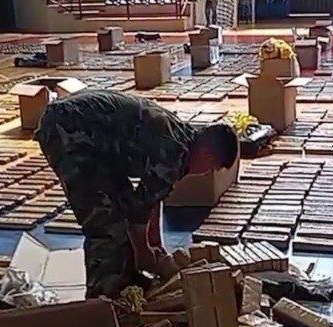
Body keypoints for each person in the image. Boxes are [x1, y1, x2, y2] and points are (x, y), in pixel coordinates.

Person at [35, 90, 239, 297]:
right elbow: (139, 213)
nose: (206, 173)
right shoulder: (172, 153)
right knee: (106, 223)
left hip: (93, 141)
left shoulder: (181, 138)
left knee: (122, 204)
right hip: (69, 130)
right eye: (211, 168)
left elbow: (151, 197)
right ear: (207, 155)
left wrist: (155, 245)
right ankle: (104, 297)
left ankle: (126, 280)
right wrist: (145, 253)